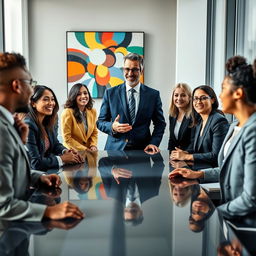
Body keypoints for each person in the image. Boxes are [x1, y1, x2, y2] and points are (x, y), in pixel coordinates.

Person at [0, 52, 84, 221]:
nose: (32, 90)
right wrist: (49, 212)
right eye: (30, 83)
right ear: (17, 86)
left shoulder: (10, 124)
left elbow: (10, 173)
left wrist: (38, 178)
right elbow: (3, 206)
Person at [169, 56, 256, 218]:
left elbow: (251, 198)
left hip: (242, 219)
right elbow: (226, 170)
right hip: (231, 211)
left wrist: (216, 214)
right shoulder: (233, 128)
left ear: (238, 93)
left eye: (223, 89)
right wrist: (197, 174)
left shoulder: (251, 131)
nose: (221, 95)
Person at [97, 53, 166, 154]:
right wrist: (112, 127)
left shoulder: (153, 95)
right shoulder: (110, 93)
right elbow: (100, 122)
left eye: (135, 69)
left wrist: (154, 143)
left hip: (143, 151)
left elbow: (160, 124)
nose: (130, 73)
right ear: (123, 70)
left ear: (141, 71)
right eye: (127, 69)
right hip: (115, 151)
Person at [25, 85, 83, 171]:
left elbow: (55, 143)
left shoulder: (51, 121)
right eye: (46, 99)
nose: (51, 103)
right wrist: (62, 159)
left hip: (45, 172)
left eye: (52, 99)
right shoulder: (28, 125)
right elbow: (35, 163)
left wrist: (66, 151)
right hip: (28, 175)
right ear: (33, 103)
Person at [171, 85, 229, 166]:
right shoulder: (200, 121)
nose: (198, 102)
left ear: (212, 100)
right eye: (195, 98)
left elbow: (216, 155)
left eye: (203, 98)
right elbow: (199, 150)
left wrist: (187, 156)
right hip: (200, 167)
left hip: (211, 172)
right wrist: (185, 152)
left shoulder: (219, 121)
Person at [61, 83, 98, 151]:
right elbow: (67, 139)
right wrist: (85, 149)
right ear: (73, 96)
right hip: (72, 152)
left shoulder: (92, 111)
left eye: (85, 93)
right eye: (79, 94)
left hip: (89, 152)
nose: (83, 96)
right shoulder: (67, 112)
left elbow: (94, 132)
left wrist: (93, 145)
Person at [168, 83, 193, 151]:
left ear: (190, 97)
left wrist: (184, 154)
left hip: (189, 156)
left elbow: (194, 141)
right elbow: (171, 140)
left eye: (183, 95)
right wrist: (170, 155)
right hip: (176, 157)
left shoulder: (194, 116)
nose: (179, 98)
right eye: (176, 95)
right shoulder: (172, 115)